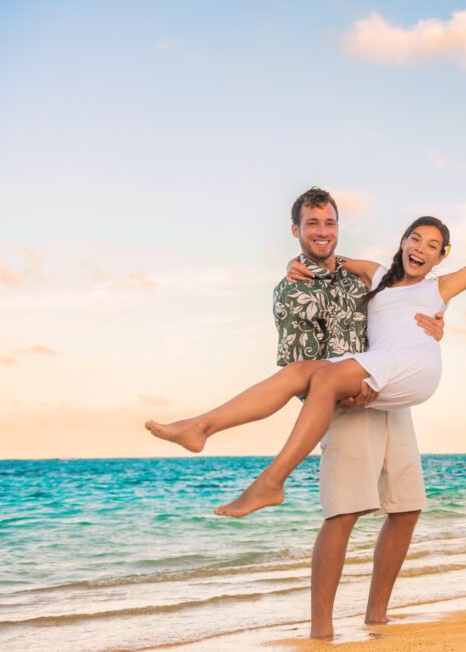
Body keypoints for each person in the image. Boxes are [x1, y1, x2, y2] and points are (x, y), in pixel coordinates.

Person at [147, 187, 443, 635]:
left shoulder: (363, 279)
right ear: (296, 230)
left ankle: (377, 613)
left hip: (387, 390)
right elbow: (297, 367)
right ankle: (320, 630)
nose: (322, 232)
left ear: (338, 228)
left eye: (329, 224)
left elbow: (403, 307)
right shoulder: (290, 291)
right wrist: (342, 395)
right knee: (343, 512)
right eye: (312, 224)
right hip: (343, 403)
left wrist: (436, 323)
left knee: (406, 507)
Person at [148, 210, 466, 520]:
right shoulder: (376, 274)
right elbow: (327, 259)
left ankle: (272, 482)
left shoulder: (439, 287)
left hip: (414, 365)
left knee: (326, 378)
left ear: (441, 257)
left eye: (432, 246)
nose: (421, 249)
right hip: (378, 361)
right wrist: (293, 265)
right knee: (301, 371)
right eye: (416, 239)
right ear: (403, 241)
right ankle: (201, 427)